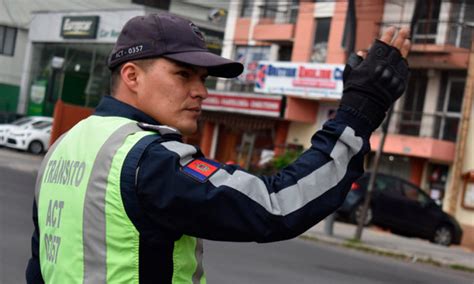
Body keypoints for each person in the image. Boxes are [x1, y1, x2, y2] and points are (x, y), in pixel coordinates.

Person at [26, 12, 411, 284]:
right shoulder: (148, 159)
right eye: (183, 74)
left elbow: (41, 265)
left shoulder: (64, 146)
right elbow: (276, 206)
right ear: (132, 76)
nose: (201, 91)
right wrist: (359, 112)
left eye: (203, 78)